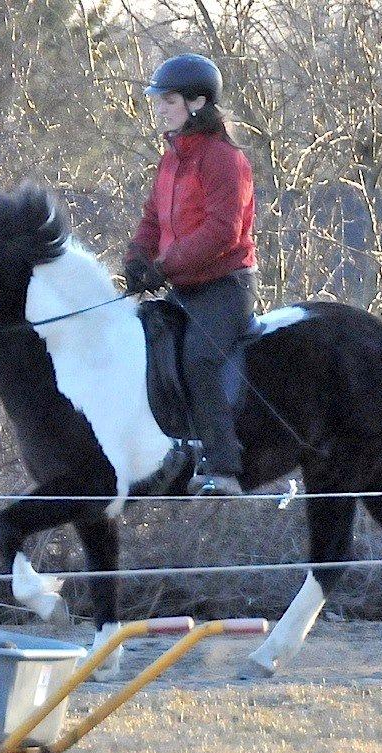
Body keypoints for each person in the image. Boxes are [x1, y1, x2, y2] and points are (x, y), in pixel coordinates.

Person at [123, 53, 258, 496]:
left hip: (223, 289)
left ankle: (224, 467)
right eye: (158, 100)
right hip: (183, 286)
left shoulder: (222, 160)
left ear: (197, 103)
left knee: (199, 358)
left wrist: (164, 265)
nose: (160, 108)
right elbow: (152, 220)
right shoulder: (171, 161)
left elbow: (224, 231)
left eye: (168, 100)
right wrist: (138, 258)